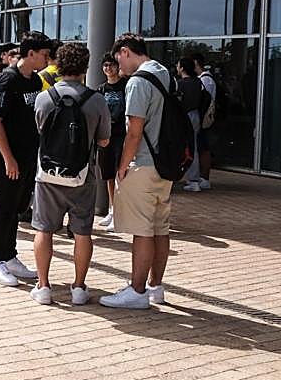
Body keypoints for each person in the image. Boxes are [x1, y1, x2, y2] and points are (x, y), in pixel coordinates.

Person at [29, 43, 111, 305]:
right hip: (82, 175)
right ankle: (78, 288)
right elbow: (104, 140)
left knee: (44, 229)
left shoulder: (44, 98)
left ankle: (43, 287)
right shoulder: (96, 100)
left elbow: (40, 130)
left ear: (58, 65)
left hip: (48, 175)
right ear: (85, 67)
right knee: (82, 231)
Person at [101, 33, 173, 310]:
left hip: (143, 162)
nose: (117, 64)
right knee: (160, 228)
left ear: (127, 51)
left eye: (118, 57)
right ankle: (156, 287)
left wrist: (122, 167)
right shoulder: (164, 72)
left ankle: (137, 290)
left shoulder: (139, 82)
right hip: (165, 162)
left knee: (142, 229)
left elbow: (134, 131)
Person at [0, 32, 52, 287]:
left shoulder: (34, 81)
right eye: (44, 54)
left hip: (26, 157)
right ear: (30, 53)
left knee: (16, 206)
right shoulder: (8, 80)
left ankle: (9, 256)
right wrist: (8, 158)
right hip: (4, 158)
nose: (47, 59)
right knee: (1, 207)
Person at [97, 55, 128, 231]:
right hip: (106, 136)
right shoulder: (101, 89)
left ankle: (120, 213)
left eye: (112, 65)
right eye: (105, 65)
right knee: (108, 174)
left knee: (120, 174)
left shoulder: (126, 86)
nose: (108, 68)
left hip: (121, 136)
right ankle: (111, 209)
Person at [175, 58, 205, 193]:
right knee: (193, 147)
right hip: (195, 115)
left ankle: (184, 177)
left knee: (179, 147)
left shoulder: (180, 84)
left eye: (178, 65)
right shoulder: (198, 82)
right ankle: (194, 179)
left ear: (182, 68)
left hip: (183, 117)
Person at [191, 54, 216, 191]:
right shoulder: (202, 79)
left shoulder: (206, 80)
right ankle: (202, 176)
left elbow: (205, 100)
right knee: (201, 147)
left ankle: (204, 177)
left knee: (203, 148)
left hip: (204, 118)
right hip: (201, 118)